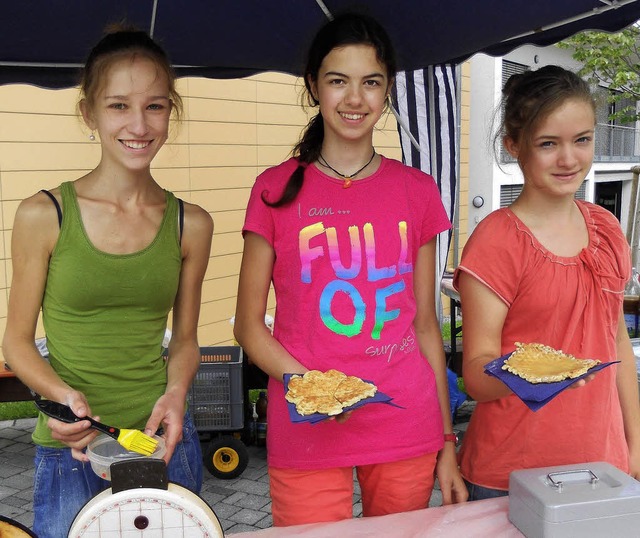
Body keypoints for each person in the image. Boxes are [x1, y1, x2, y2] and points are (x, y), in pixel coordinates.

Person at [233, 12, 467, 527]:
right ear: (314, 86)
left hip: (405, 421)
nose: (355, 99)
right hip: (307, 425)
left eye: (371, 82)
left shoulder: (417, 191)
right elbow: (248, 325)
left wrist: (447, 441)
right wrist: (313, 387)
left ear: (387, 92)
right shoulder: (273, 189)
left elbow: (425, 325)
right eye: (339, 81)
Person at [2, 27, 213, 537]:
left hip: (160, 444)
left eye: (155, 106)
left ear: (171, 111)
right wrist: (58, 394)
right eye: (119, 105)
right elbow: (15, 342)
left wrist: (178, 394)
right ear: (89, 113)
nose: (138, 124)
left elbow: (184, 341)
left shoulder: (191, 224)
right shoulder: (43, 215)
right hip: (70, 451)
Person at [454, 65, 640, 500]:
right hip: (509, 474)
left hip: (602, 465)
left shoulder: (608, 229)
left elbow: (616, 345)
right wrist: (532, 376)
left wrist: (635, 444)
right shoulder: (497, 240)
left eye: (582, 140)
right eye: (548, 144)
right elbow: (476, 377)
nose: (569, 159)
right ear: (513, 146)